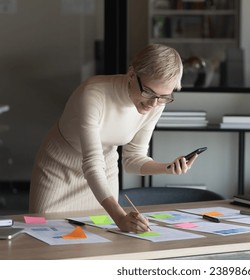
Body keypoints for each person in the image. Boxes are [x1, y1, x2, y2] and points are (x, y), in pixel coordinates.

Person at [29, 44, 196, 233]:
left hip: (104, 170)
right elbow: (91, 163)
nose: (154, 103)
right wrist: (119, 216)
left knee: (99, 243)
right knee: (45, 238)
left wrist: (167, 168)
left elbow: (132, 159)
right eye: (148, 92)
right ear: (132, 75)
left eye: (164, 97)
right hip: (59, 169)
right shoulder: (93, 94)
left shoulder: (156, 103)